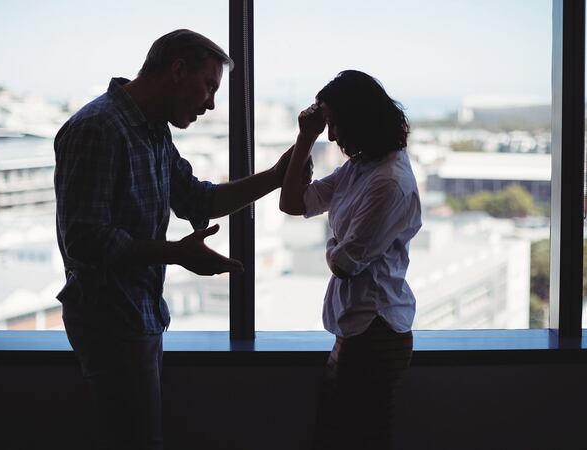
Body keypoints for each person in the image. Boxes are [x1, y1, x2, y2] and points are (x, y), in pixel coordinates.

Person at [54, 29, 308, 450]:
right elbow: (84, 239)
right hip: (109, 319)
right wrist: (175, 254)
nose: (210, 103)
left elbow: (196, 199)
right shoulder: (97, 128)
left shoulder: (151, 130)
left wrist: (275, 178)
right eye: (208, 86)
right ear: (177, 70)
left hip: (136, 314)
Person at [279, 70, 422, 450]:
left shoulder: (387, 181)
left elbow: (345, 263)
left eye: (333, 123)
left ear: (357, 120)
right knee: (343, 434)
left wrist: (331, 246)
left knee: (354, 436)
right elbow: (292, 202)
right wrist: (304, 138)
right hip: (358, 329)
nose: (331, 135)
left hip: (375, 331)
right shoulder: (361, 167)